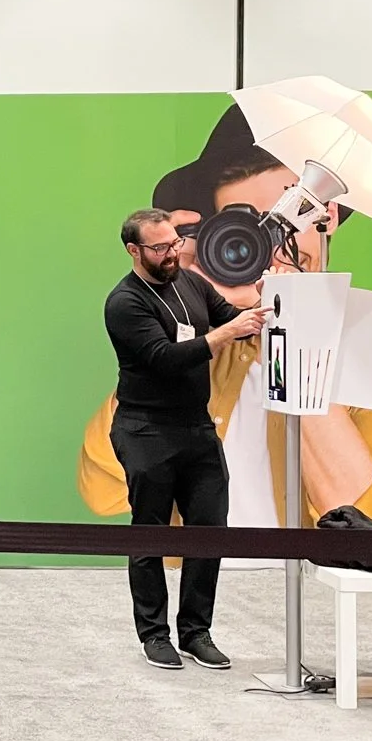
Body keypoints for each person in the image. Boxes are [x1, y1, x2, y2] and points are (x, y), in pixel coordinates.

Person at [79, 107, 372, 553]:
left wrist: (295, 328)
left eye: (283, 222)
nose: (270, 248)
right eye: (247, 232)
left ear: (326, 214)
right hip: (198, 587)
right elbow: (105, 487)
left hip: (314, 598)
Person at [104, 209, 268, 670]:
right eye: (159, 248)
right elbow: (164, 358)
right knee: (150, 532)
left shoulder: (191, 284)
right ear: (134, 251)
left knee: (209, 529)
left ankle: (196, 631)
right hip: (145, 429)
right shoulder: (124, 302)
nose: (171, 253)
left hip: (196, 426)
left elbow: (230, 317)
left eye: (175, 243)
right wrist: (228, 333)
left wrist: (263, 303)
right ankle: (154, 634)